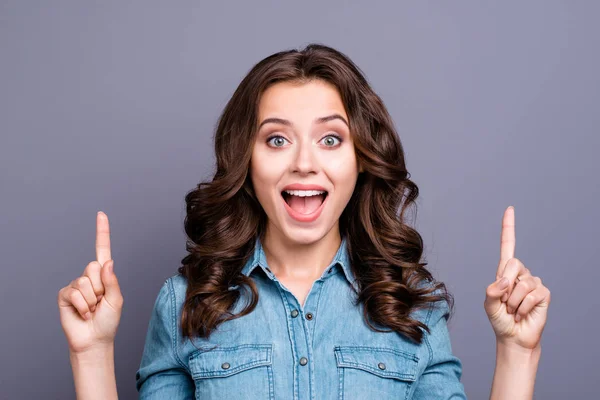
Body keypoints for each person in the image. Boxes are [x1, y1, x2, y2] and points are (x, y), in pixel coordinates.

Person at [58, 44, 550, 400]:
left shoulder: (413, 306)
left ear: (360, 160)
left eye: (331, 139)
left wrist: (517, 352)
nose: (304, 163)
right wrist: (92, 352)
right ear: (245, 163)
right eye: (276, 140)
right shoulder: (186, 303)